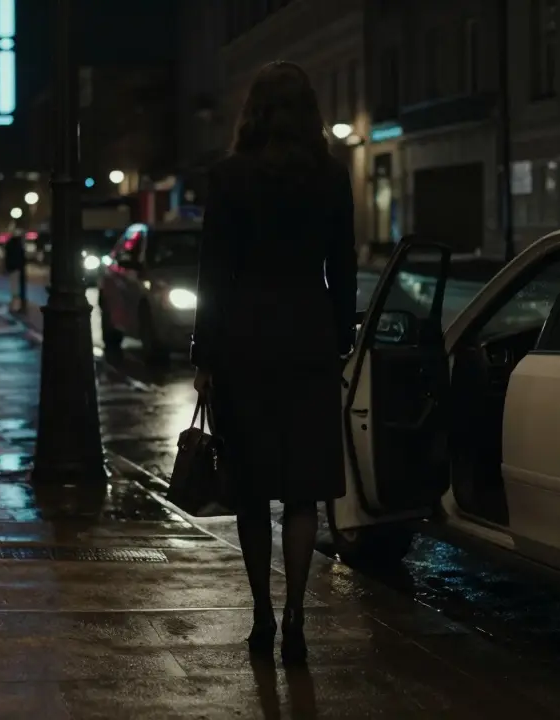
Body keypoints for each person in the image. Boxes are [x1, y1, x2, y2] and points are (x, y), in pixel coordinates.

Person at [190, 61, 357, 665]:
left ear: (254, 112)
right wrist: (339, 339)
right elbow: (342, 271)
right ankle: (296, 619)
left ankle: (261, 614)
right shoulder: (332, 179)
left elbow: (214, 272)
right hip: (308, 339)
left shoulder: (230, 177)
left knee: (254, 491)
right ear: (310, 113)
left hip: (245, 344)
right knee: (305, 496)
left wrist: (204, 355)